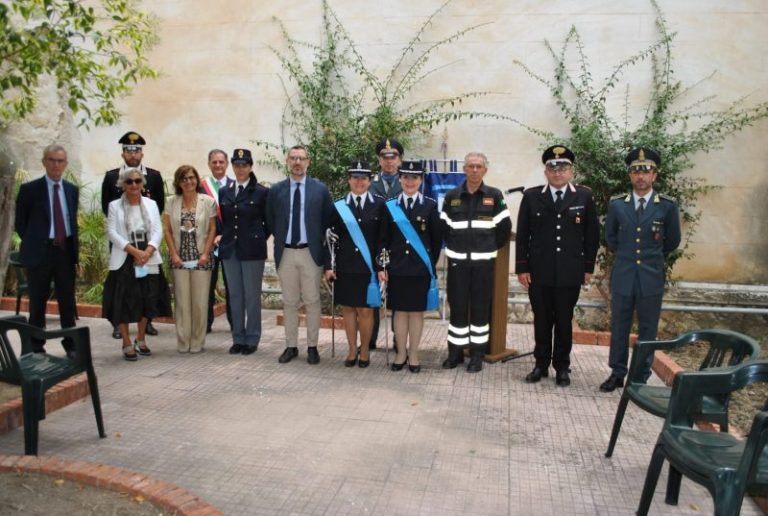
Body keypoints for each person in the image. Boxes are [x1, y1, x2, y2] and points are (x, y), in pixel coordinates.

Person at [515, 145, 599, 387]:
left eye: (563, 167)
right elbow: (523, 235)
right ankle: (540, 364)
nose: (558, 172)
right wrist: (522, 268)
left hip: (569, 273)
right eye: (553, 167)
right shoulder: (532, 197)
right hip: (539, 273)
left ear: (571, 171)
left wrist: (588, 268)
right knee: (541, 320)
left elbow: (591, 235)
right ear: (546, 171)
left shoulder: (583, 196)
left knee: (564, 320)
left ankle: (562, 366)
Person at [599, 147, 682, 392]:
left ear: (654, 176)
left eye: (646, 172)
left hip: (651, 277)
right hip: (624, 275)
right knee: (620, 325)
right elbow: (610, 239)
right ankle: (617, 373)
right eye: (636, 172)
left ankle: (640, 377)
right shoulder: (617, 205)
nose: (641, 177)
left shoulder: (666, 206)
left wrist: (650, 258)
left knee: (647, 328)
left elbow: (672, 241)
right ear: (630, 176)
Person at [440, 152, 511, 373]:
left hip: (483, 265)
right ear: (464, 169)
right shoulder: (452, 196)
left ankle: (477, 355)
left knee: (480, 309)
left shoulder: (494, 195)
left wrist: (487, 248)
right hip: (457, 264)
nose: (474, 170)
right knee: (458, 307)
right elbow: (444, 228)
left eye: (478, 166)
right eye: (470, 166)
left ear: (485, 170)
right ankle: (455, 353)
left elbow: (504, 229)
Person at [265, 145, 334, 365]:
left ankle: (312, 347)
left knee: (313, 301)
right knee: (289, 302)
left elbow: (327, 221)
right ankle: (291, 346)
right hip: (286, 253)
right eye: (293, 158)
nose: (297, 162)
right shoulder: (276, 190)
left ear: (308, 162)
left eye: (301, 158)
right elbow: (271, 219)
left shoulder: (320, 190)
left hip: (310, 252)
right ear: (287, 161)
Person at [14, 145, 79, 359]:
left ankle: (71, 344)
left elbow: (71, 220)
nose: (56, 165)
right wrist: (36, 242)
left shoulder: (71, 189)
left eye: (60, 161)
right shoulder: (30, 189)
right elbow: (20, 223)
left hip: (64, 251)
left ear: (65, 164)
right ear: (44, 162)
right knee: (38, 301)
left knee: (67, 301)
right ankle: (36, 345)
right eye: (52, 160)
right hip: (40, 253)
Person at [101, 131, 166, 339]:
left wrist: (147, 249)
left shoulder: (154, 176)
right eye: (129, 151)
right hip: (123, 244)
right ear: (123, 154)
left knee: (147, 288)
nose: (133, 155)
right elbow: (107, 207)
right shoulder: (112, 176)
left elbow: (159, 207)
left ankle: (146, 324)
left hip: (147, 246)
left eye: (137, 150)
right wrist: (127, 244)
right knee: (122, 288)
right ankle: (119, 325)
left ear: (142, 154)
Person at [103, 168, 171, 361]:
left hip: (147, 255)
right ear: (123, 185)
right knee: (122, 301)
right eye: (129, 182)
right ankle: (126, 342)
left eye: (137, 181)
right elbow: (112, 232)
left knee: (147, 299)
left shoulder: (151, 204)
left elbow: (158, 230)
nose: (134, 185)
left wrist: (147, 251)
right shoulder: (115, 206)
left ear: (142, 184)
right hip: (125, 256)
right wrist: (134, 251)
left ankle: (140, 339)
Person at [380, 161, 442, 373]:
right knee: (399, 313)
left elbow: (436, 241)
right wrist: (383, 266)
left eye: (414, 178)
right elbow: (383, 239)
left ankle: (414, 353)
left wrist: (428, 266)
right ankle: (401, 353)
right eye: (405, 177)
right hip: (396, 269)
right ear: (400, 179)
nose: (409, 181)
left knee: (416, 313)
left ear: (421, 180)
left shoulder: (430, 206)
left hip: (419, 270)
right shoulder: (390, 206)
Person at [324, 161, 387, 368]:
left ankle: (365, 349)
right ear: (349, 180)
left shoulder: (380, 204)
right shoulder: (339, 206)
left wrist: (381, 268)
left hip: (368, 270)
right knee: (349, 310)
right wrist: (329, 266)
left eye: (363, 178)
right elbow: (330, 238)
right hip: (345, 266)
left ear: (369, 181)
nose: (359, 182)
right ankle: (352, 349)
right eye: (355, 177)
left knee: (366, 311)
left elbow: (382, 240)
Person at [218, 148, 270, 355]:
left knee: (251, 296)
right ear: (233, 166)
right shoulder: (225, 191)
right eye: (237, 165)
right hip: (230, 250)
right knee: (236, 296)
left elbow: (269, 222)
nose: (240, 169)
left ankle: (252, 338)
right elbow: (224, 221)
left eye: (244, 165)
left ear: (250, 166)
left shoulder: (261, 192)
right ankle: (237, 337)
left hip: (252, 251)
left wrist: (256, 238)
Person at [163, 165, 217, 353]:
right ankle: (183, 341)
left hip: (202, 258)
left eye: (192, 177)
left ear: (197, 179)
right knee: (182, 302)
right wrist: (174, 254)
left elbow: (212, 229)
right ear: (178, 182)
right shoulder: (171, 201)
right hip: (179, 259)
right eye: (184, 178)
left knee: (200, 303)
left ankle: (197, 341)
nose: (189, 182)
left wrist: (205, 254)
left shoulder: (208, 201)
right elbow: (167, 230)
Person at [368, 138, 404, 350]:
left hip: (400, 247)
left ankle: (398, 338)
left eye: (394, 157)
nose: (389, 161)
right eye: (385, 157)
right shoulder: (370, 184)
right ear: (379, 159)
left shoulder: (409, 182)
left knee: (398, 294)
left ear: (400, 159)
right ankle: (370, 337)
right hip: (374, 246)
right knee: (373, 291)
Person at [200, 149, 234, 333]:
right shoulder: (200, 186)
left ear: (227, 164)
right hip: (208, 243)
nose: (218, 165)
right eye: (214, 162)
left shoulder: (235, 185)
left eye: (221, 162)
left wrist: (225, 235)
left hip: (230, 243)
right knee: (207, 285)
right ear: (209, 164)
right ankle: (205, 324)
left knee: (232, 285)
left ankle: (235, 323)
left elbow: (239, 217)